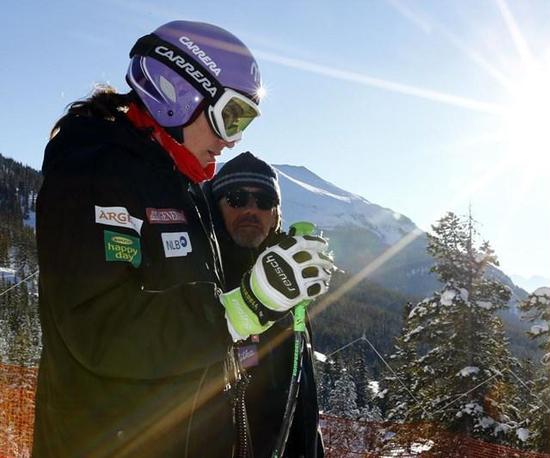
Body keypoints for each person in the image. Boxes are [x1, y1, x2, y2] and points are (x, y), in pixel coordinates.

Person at [34, 21, 333, 457]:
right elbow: (97, 327)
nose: (232, 141)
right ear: (177, 91)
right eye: (231, 116)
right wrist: (241, 310)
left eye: (244, 122)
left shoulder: (181, 184)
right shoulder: (96, 169)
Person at [205, 152, 324, 457]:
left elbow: (302, 395)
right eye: (236, 198)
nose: (251, 210)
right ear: (215, 208)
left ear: (276, 215)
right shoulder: (203, 279)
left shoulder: (290, 281)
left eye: (264, 202)